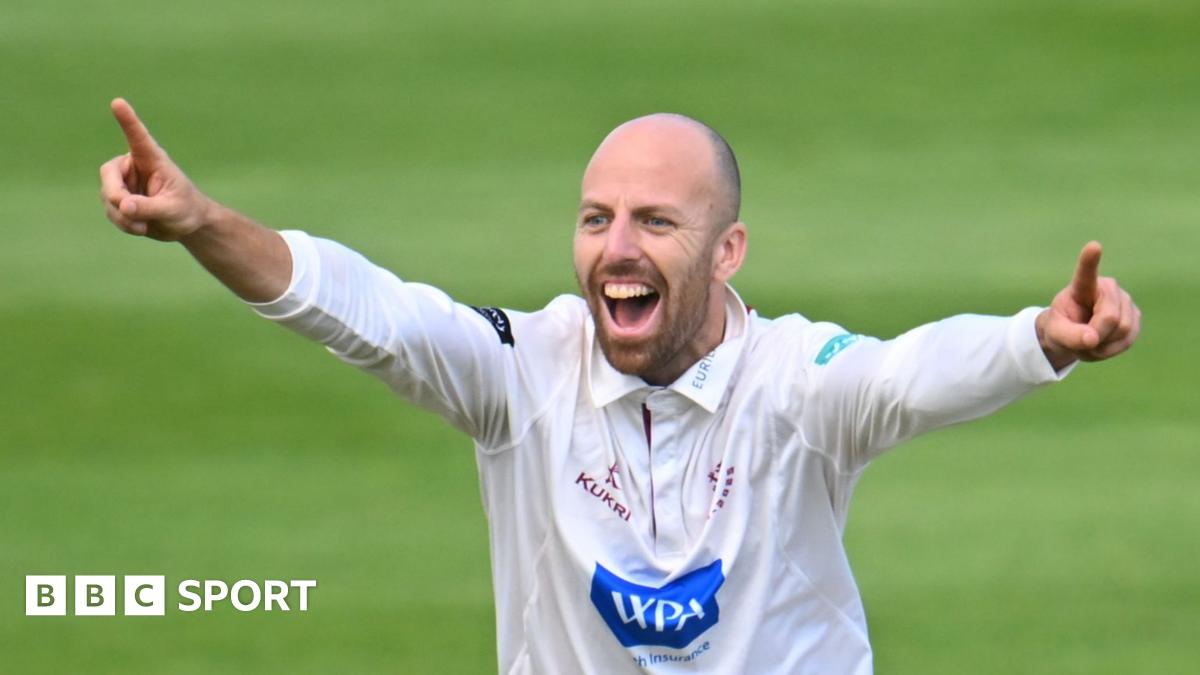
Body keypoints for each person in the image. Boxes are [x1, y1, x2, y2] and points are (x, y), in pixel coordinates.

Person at [99, 98, 1140, 674]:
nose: (617, 247)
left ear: (727, 250)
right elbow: (366, 310)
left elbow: (909, 376)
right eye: (597, 218)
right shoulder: (521, 371)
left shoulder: (795, 382)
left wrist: (1038, 339)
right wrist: (202, 224)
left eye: (655, 221)